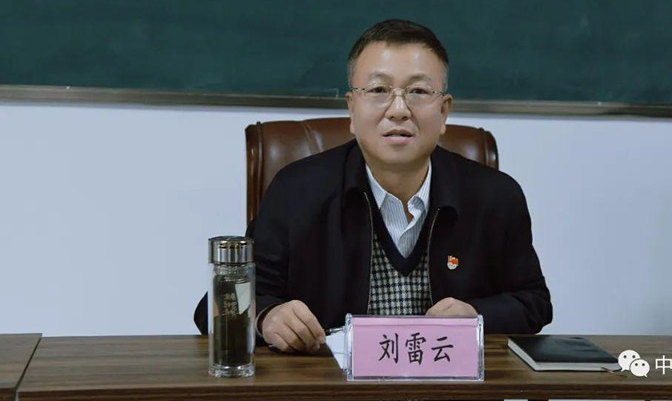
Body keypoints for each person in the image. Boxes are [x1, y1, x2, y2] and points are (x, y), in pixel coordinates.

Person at [194, 19, 552, 352]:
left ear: (444, 112)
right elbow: (217, 306)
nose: (398, 110)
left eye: (418, 91)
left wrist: (476, 315)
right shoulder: (296, 192)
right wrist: (267, 316)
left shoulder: (495, 196)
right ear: (352, 110)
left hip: (449, 386)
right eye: (379, 89)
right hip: (333, 387)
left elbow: (534, 303)